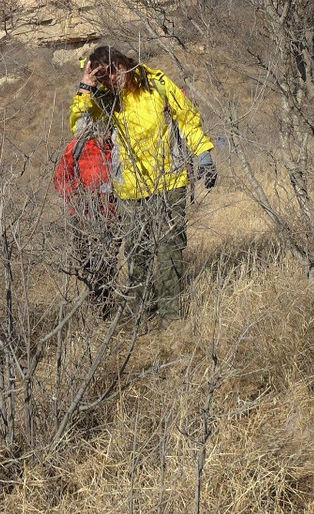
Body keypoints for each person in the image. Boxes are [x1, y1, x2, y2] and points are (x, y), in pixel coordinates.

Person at [69, 45, 216, 320]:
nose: (112, 78)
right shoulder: (105, 99)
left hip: (169, 183)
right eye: (104, 76)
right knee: (138, 253)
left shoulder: (156, 83)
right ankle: (142, 316)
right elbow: (81, 129)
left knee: (170, 251)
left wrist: (204, 156)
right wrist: (86, 87)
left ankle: (171, 317)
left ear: (124, 63)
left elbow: (187, 120)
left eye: (114, 70)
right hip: (129, 190)